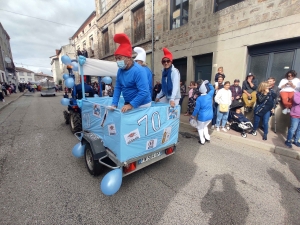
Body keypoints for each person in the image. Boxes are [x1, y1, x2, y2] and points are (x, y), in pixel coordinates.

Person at [111, 33, 151, 112]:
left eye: (119, 58)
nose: (117, 61)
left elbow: (144, 92)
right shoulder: (120, 70)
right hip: (129, 103)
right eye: (116, 59)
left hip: (142, 104)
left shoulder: (139, 71)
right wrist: (114, 104)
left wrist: (131, 105)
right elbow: (118, 88)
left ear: (128, 58)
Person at [191, 80, 214, 145]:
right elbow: (212, 89)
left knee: (200, 128)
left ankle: (202, 141)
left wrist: (192, 115)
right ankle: (207, 138)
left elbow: (196, 109)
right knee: (205, 126)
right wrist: (208, 83)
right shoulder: (209, 95)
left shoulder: (199, 99)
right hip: (210, 116)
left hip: (202, 117)